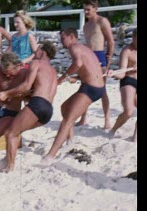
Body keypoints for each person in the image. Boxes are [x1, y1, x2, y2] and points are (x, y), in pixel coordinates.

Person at [41, 28, 105, 164]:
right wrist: (76, 77)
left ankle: (50, 155)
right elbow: (89, 69)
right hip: (93, 86)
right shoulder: (83, 48)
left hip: (91, 88)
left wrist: (63, 77)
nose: (61, 41)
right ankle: (70, 141)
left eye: (63, 38)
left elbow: (78, 64)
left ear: (71, 36)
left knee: (68, 120)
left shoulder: (74, 47)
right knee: (65, 108)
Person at [0, 41, 58, 172]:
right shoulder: (53, 70)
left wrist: (6, 93)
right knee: (16, 130)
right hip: (48, 111)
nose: (35, 51)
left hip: (38, 104)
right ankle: (8, 158)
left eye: (38, 49)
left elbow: (26, 86)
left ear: (43, 51)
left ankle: (10, 167)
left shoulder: (36, 63)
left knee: (10, 133)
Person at [77, 0, 115, 129]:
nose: (86, 12)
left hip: (100, 55)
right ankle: (83, 118)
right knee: (85, 88)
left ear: (95, 9)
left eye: (88, 9)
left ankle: (107, 119)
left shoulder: (102, 21)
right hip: (89, 56)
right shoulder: (86, 26)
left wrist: (108, 61)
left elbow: (111, 41)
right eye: (84, 9)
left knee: (102, 90)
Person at [107, 28, 137, 142]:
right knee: (128, 111)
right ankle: (113, 129)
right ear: (133, 38)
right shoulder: (127, 51)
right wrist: (113, 73)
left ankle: (135, 137)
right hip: (128, 80)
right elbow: (122, 73)